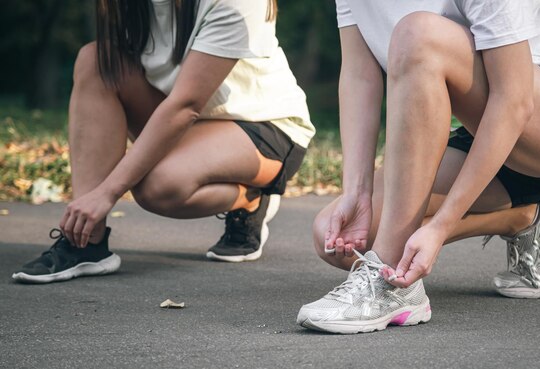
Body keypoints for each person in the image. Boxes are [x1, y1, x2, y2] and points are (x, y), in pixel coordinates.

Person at [297, 0, 540, 334]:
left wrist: (442, 225)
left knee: (418, 34)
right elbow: (360, 77)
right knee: (337, 236)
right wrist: (356, 193)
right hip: (483, 134)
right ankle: (530, 218)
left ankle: (392, 284)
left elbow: (515, 100)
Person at [12, 0, 315, 283]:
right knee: (95, 61)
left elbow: (186, 104)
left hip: (265, 124)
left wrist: (107, 192)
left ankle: (251, 198)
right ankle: (84, 242)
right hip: (187, 118)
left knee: (156, 186)